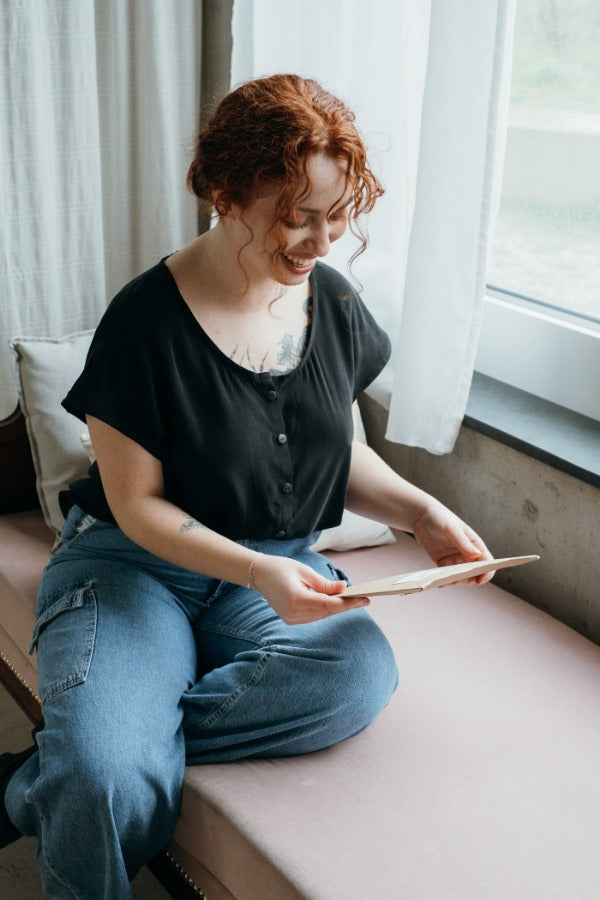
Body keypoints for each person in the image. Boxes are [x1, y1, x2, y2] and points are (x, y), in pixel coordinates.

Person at [0, 73, 493, 898]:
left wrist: (420, 511)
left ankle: (58, 768)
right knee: (104, 780)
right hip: (133, 568)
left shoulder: (330, 302)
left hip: (272, 569)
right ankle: (94, 765)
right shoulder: (144, 321)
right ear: (227, 193)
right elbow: (138, 504)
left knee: (355, 672)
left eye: (337, 218)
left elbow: (332, 449)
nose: (320, 242)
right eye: (296, 217)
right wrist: (258, 569)